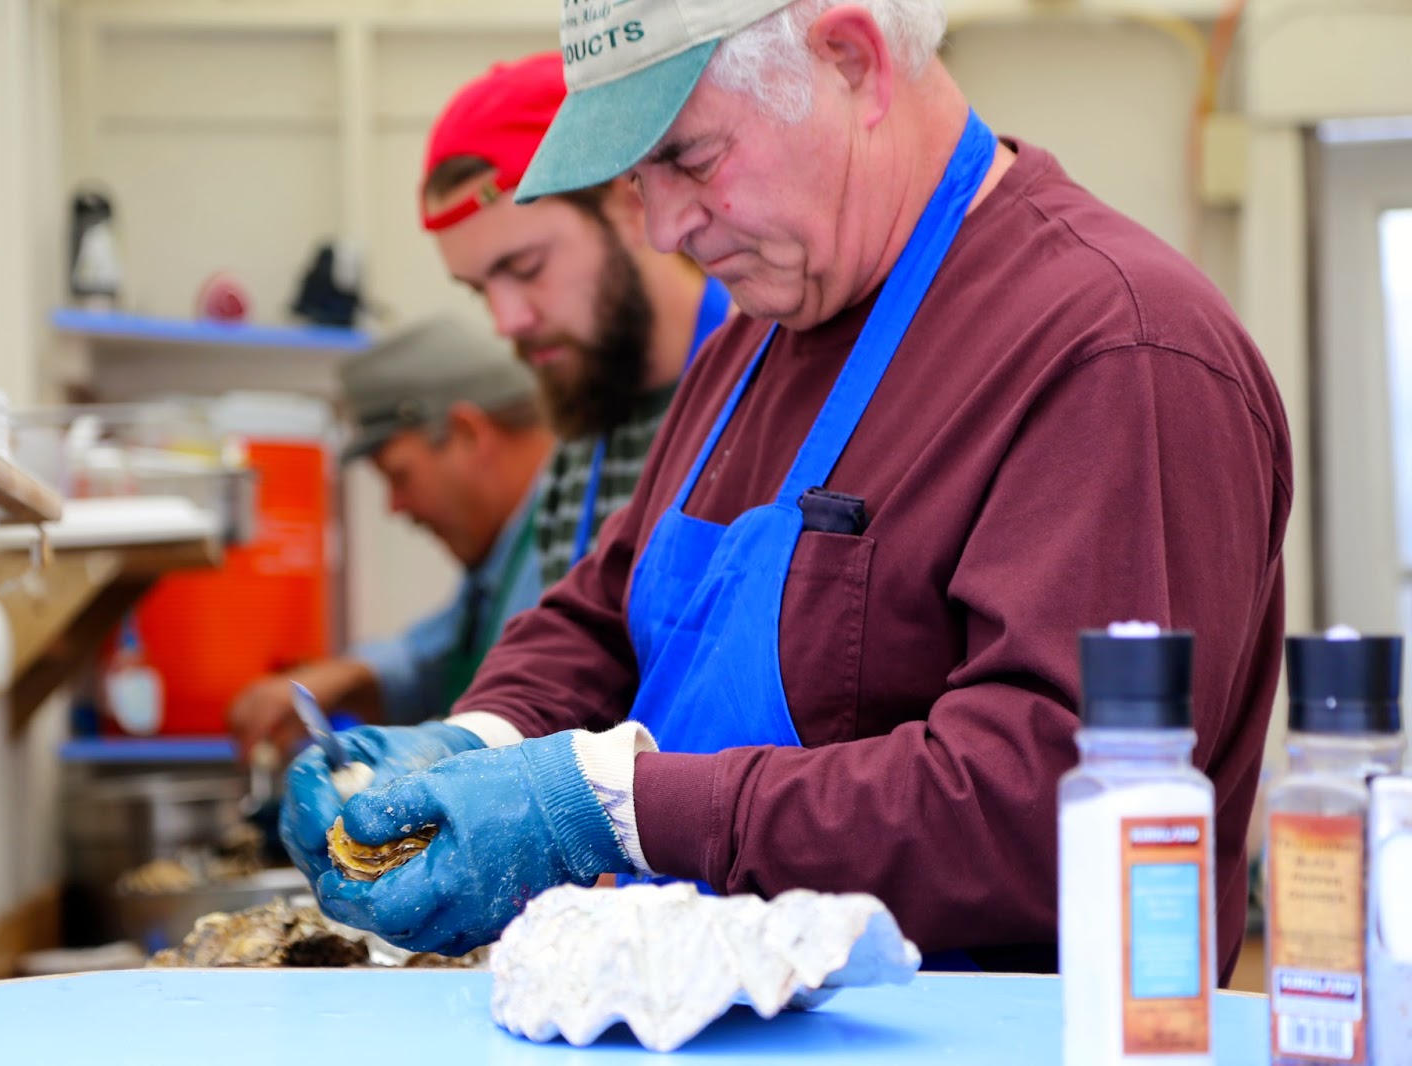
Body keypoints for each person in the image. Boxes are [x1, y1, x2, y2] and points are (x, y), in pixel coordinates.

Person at [282, 0, 1291, 983]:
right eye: (640, 178)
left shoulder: (1114, 349)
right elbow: (605, 614)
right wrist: (469, 745)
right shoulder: (755, 340)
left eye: (689, 158)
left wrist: (614, 805)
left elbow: (1044, 803)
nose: (667, 228)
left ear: (852, 60)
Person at [418, 52, 732, 585]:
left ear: (629, 203)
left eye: (527, 267)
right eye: (479, 293)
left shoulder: (768, 390)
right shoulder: (575, 452)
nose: (506, 321)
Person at [225, 314, 551, 761]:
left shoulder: (567, 540)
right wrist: (343, 679)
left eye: (399, 476)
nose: (395, 507)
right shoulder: (500, 562)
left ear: (467, 434)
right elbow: (429, 658)